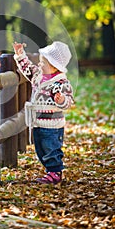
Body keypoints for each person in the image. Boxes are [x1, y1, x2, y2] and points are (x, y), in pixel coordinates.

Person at [13, 41, 74, 184]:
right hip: (38, 122)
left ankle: (55, 172)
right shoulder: (38, 76)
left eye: (43, 63)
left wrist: (61, 100)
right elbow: (27, 68)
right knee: (40, 149)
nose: (39, 65)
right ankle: (50, 171)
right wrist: (19, 54)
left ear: (54, 66)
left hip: (52, 125)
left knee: (51, 149)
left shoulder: (61, 83)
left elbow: (69, 102)